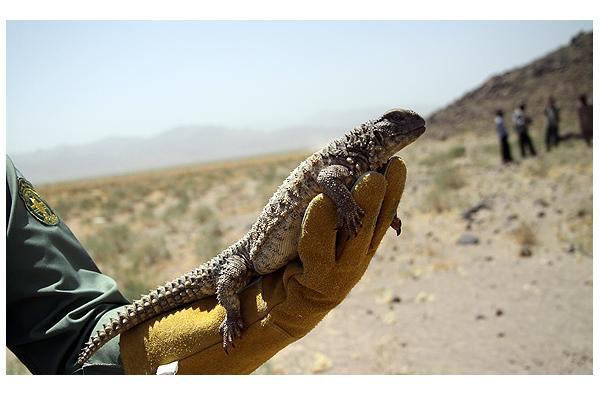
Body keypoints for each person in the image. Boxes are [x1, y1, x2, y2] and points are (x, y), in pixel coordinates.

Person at [6, 155, 408, 374]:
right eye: (396, 123)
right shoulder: (342, 162)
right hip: (241, 262)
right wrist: (232, 316)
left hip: (253, 257)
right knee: (231, 281)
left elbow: (66, 328)